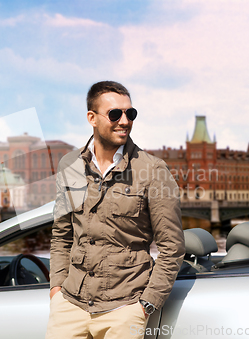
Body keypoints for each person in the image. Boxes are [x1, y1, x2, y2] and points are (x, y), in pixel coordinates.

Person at [46, 81, 185, 339]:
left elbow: (172, 246)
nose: (125, 121)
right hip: (70, 305)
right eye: (115, 114)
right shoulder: (71, 165)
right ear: (92, 118)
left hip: (125, 308)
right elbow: (62, 235)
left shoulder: (153, 170)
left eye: (130, 113)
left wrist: (145, 305)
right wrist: (56, 289)